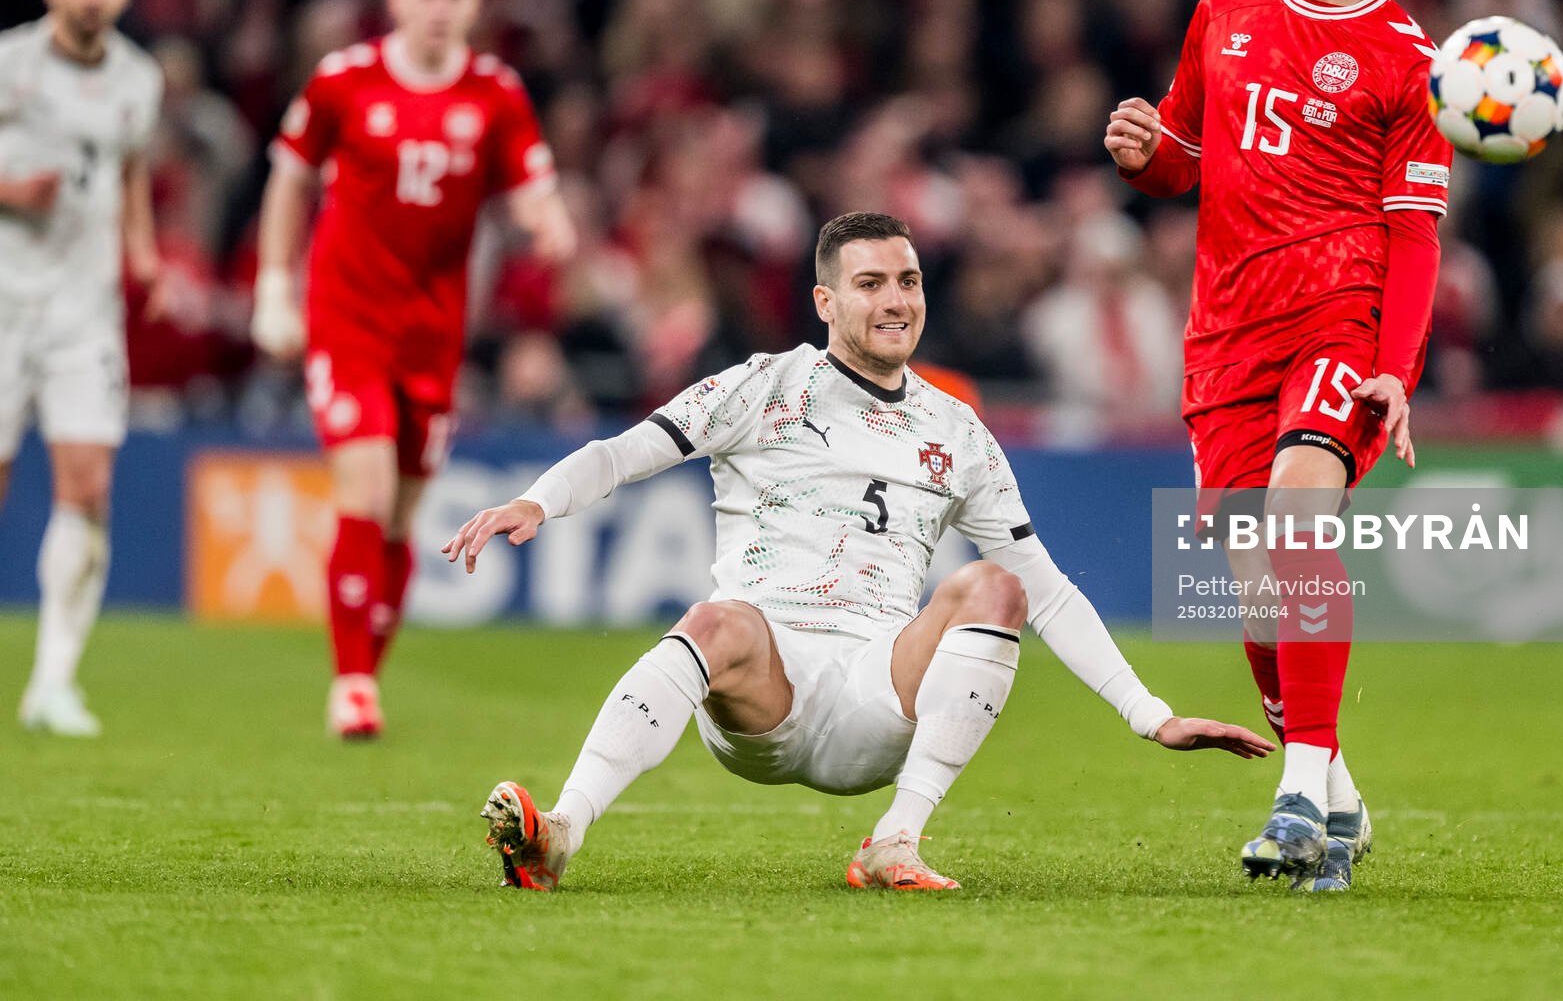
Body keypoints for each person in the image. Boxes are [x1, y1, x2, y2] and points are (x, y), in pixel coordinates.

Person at [444, 212, 1272, 891]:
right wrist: (537, 501)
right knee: (718, 617)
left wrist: (1150, 714)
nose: (895, 301)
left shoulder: (957, 431)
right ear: (826, 301)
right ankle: (561, 831)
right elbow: (626, 453)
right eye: (870, 283)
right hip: (765, 688)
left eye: (907, 281)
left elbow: (1047, 592)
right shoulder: (765, 385)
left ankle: (895, 840)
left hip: (880, 696)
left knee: (994, 586)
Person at [1104, 0, 1450, 890]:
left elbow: (1415, 231)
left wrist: (1398, 362)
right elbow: (1186, 157)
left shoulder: (1410, 62)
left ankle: (1299, 788)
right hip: (1226, 337)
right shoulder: (1224, 15)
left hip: (1338, 321)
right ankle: (1338, 794)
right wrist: (1143, 151)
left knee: (1300, 520)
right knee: (1256, 585)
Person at [250, 0, 576, 739]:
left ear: (472, 2)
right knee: (360, 490)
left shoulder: (494, 91)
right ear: (396, 0)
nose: (438, 8)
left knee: (400, 514)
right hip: (348, 315)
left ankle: (366, 673)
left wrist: (549, 224)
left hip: (433, 330)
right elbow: (288, 182)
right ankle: (352, 682)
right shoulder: (342, 82)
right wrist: (274, 287)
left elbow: (533, 185)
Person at [1, 0, 166, 737]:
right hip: (1, 299)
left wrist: (142, 250)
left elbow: (130, 167)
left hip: (83, 310)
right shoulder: (9, 65)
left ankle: (53, 683)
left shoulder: (140, 79)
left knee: (90, 486)